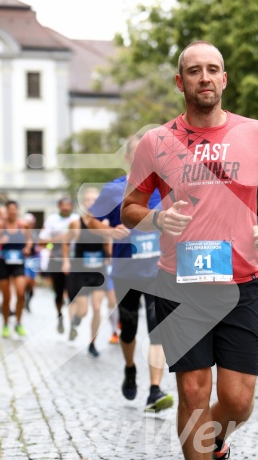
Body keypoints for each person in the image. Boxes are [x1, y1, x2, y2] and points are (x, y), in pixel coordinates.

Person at [121, 41, 258, 460]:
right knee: (193, 391)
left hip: (240, 282)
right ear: (180, 82)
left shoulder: (254, 134)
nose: (204, 78)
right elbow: (129, 208)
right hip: (180, 283)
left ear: (225, 79)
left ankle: (216, 445)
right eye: (194, 71)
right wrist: (154, 217)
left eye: (213, 69)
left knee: (236, 401)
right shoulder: (156, 141)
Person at [90, 135, 174, 413]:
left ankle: (154, 390)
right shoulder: (114, 190)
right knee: (129, 330)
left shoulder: (165, 189)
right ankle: (129, 369)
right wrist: (108, 231)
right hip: (126, 272)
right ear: (127, 159)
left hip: (157, 271)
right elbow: (90, 219)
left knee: (158, 330)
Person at [62, 188, 110, 357]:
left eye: (95, 199)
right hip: (80, 271)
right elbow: (66, 243)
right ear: (83, 203)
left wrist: (109, 256)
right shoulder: (76, 223)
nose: (92, 202)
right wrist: (66, 261)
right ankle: (76, 320)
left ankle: (92, 343)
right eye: (88, 199)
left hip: (98, 271)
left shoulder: (104, 223)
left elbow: (107, 242)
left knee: (97, 308)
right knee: (83, 311)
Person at [0, 200, 33, 338]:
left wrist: (27, 248)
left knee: (20, 292)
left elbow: (29, 240)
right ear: (6, 211)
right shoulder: (1, 225)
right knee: (6, 297)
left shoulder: (22, 225)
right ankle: (6, 324)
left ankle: (18, 323)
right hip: (3, 263)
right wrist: (0, 241)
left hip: (18, 261)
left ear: (17, 210)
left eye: (14, 209)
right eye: (10, 209)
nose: (12, 212)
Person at [38, 198, 79, 333]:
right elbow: (41, 242)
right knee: (59, 293)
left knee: (73, 292)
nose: (66, 208)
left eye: (68, 205)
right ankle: (59, 315)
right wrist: (57, 240)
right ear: (59, 206)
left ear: (72, 206)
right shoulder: (51, 220)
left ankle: (72, 322)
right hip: (55, 259)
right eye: (63, 205)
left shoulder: (76, 219)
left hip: (73, 260)